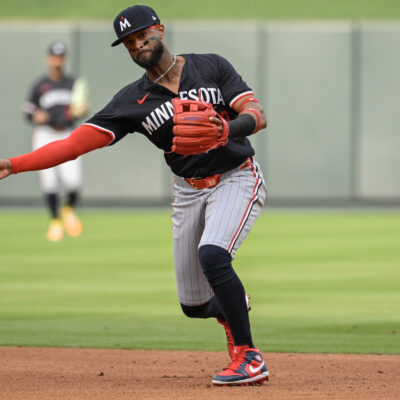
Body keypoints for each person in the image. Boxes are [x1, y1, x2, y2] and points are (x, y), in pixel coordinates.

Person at [0, 5, 269, 386]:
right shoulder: (132, 101)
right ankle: (231, 307)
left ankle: (249, 357)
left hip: (235, 176)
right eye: (129, 42)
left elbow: (256, 114)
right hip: (188, 191)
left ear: (159, 29)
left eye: (144, 35)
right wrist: (14, 164)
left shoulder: (211, 66)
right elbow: (75, 144)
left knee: (213, 253)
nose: (138, 43)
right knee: (193, 306)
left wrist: (227, 129)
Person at [23, 41, 89, 242]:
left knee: (74, 181)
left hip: (67, 133)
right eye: (54, 56)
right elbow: (27, 110)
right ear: (48, 58)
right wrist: (35, 117)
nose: (57, 60)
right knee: (49, 182)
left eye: (60, 57)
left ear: (65, 59)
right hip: (45, 134)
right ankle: (55, 221)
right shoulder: (39, 85)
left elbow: (81, 107)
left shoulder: (73, 83)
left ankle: (67, 209)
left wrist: (83, 109)